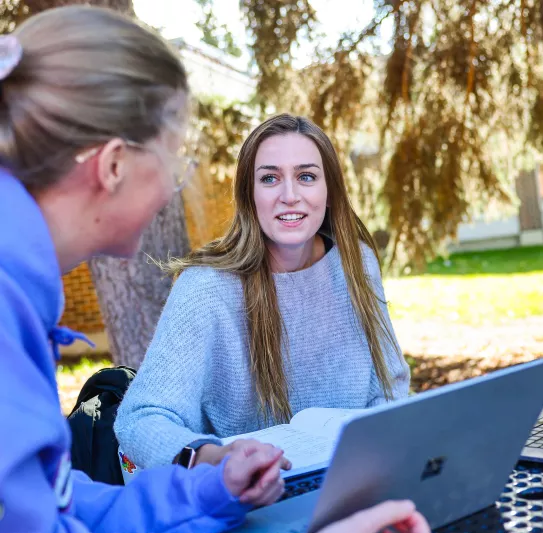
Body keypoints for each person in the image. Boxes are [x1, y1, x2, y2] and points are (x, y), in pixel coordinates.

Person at [0, 6, 435, 533]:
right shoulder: (13, 311)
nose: (175, 187)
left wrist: (210, 492)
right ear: (111, 166)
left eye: (307, 176)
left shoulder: (21, 301)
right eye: (173, 160)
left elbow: (62, 511)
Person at [115, 113, 411, 470]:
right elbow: (140, 419)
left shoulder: (357, 265)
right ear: (249, 196)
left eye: (306, 176)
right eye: (270, 178)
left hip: (356, 480)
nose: (290, 195)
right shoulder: (207, 287)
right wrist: (210, 459)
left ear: (329, 190)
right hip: (246, 501)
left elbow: (390, 387)